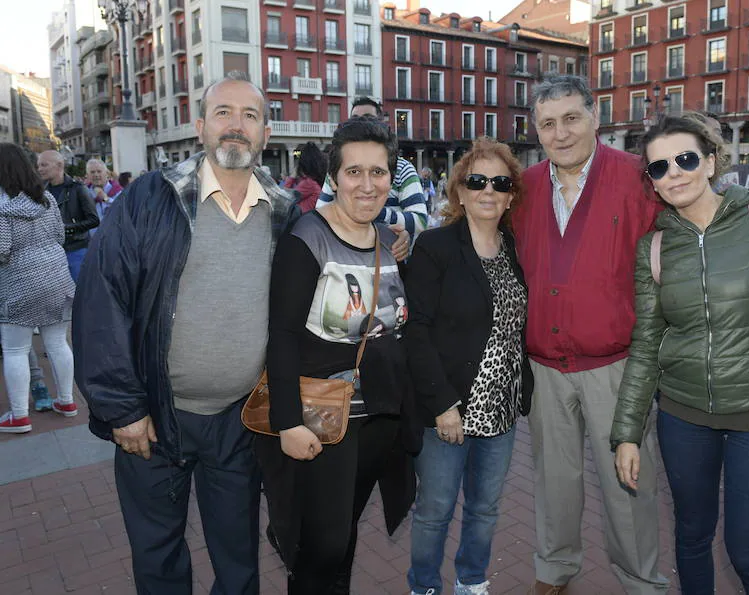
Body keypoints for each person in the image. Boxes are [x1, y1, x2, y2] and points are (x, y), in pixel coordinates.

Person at [72, 71, 294, 594]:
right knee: (159, 557)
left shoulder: (285, 212)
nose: (235, 126)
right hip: (153, 417)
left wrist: (386, 237)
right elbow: (100, 301)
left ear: (265, 133)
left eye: (250, 116)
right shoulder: (152, 198)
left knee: (238, 558)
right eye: (223, 113)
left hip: (240, 421)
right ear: (199, 127)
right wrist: (122, 408)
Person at [611, 113, 749, 594]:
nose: (674, 173)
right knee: (691, 537)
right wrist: (626, 433)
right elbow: (647, 344)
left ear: (711, 161)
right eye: (659, 167)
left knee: (748, 551)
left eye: (686, 159)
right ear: (651, 181)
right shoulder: (654, 247)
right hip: (683, 417)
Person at [512, 74, 668, 595]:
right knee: (554, 482)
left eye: (571, 118)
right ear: (537, 130)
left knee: (630, 484)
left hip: (617, 367)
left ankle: (641, 580)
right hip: (544, 368)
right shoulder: (525, 187)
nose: (561, 133)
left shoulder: (636, 177)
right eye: (548, 123)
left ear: (595, 118)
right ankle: (555, 570)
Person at [257, 115, 419, 595]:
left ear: (391, 177)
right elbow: (282, 334)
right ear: (334, 179)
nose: (367, 185)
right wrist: (287, 421)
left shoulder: (390, 242)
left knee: (343, 536)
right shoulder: (306, 238)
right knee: (322, 545)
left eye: (379, 172)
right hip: (325, 420)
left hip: (380, 419)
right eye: (354, 172)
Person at [404, 138, 533, 595]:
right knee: (435, 508)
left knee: (485, 507)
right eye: (477, 181)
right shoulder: (436, 248)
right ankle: (424, 586)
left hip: (501, 408)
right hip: (449, 409)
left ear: (511, 194)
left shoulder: (518, 250)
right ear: (459, 191)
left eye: (500, 182)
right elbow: (415, 331)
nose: (488, 191)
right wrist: (441, 405)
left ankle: (472, 580)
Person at [0, 143, 77, 433]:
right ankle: (67, 401)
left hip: (19, 282)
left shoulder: (3, 207)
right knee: (58, 343)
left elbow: (1, 250)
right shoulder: (46, 199)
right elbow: (60, 235)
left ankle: (19, 415)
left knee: (16, 349)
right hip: (57, 277)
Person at [318, 97, 427, 246]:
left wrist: (376, 213)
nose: (360, 123)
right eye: (355, 119)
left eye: (368, 118)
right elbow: (320, 213)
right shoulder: (338, 169)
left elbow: (420, 221)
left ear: (381, 123)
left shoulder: (403, 169)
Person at [36, 150, 98, 282]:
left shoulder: (78, 188)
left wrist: (67, 228)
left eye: (44, 165)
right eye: (38, 165)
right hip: (52, 253)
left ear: (59, 165)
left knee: (80, 294)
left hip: (76, 250)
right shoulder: (42, 190)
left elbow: (94, 220)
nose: (39, 169)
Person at [292, 141, 327, 213]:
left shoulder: (308, 183)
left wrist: (291, 177)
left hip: (302, 219)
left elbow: (285, 199)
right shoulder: (316, 181)